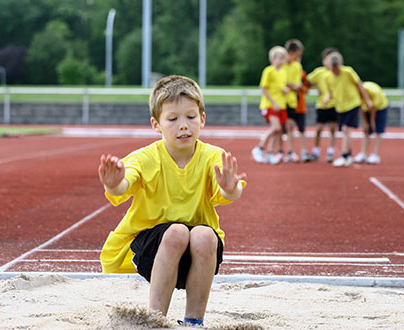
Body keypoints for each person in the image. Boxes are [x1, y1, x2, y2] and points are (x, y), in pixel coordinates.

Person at [98, 75, 247, 326]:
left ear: (202, 119)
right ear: (156, 124)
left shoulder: (213, 157)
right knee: (177, 231)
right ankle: (155, 320)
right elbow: (124, 183)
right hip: (151, 250)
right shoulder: (144, 157)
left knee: (205, 235)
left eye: (190, 117)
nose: (183, 126)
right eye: (173, 119)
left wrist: (230, 189)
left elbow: (230, 193)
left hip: (199, 256)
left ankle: (193, 321)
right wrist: (114, 183)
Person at [323, 51, 372, 167]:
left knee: (346, 129)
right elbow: (330, 91)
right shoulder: (327, 77)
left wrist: (367, 100)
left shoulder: (348, 72)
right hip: (340, 107)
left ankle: (344, 155)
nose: (335, 71)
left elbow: (359, 84)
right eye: (333, 69)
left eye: (337, 69)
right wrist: (326, 98)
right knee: (344, 131)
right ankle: (349, 155)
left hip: (352, 104)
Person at [251, 46, 288, 165]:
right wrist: (273, 102)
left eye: (283, 58)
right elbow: (263, 87)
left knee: (278, 131)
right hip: (270, 105)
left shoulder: (283, 72)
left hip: (281, 105)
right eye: (279, 58)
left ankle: (271, 153)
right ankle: (259, 148)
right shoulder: (269, 71)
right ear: (273, 59)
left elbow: (279, 87)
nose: (282, 61)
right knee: (276, 128)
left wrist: (285, 90)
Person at [307, 48, 338, 162]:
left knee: (333, 128)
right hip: (322, 105)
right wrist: (317, 88)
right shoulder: (319, 72)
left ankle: (331, 151)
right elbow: (307, 80)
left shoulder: (337, 72)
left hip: (334, 104)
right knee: (319, 128)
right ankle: (316, 150)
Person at [353, 81, 389, 164]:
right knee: (366, 130)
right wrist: (366, 123)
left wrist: (372, 122)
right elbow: (361, 107)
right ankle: (363, 153)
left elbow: (373, 108)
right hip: (368, 108)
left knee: (378, 130)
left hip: (380, 107)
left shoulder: (374, 92)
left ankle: (375, 155)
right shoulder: (357, 92)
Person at [281, 39, 304, 163]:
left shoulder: (297, 66)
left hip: (291, 100)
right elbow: (278, 83)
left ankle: (290, 151)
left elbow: (297, 85)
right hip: (280, 100)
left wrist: (287, 85)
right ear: (290, 52)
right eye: (297, 55)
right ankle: (279, 152)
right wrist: (289, 85)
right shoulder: (281, 64)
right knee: (279, 127)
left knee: (290, 126)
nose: (298, 58)